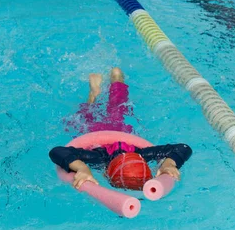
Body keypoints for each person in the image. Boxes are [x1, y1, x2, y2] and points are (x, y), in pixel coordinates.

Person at [50, 67, 192, 190]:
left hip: (119, 129)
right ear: (106, 174)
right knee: (87, 118)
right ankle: (94, 93)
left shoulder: (143, 153)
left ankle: (112, 81)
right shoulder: (99, 158)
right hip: (95, 132)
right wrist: (82, 167)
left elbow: (183, 148)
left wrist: (168, 163)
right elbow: (58, 151)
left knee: (117, 108)